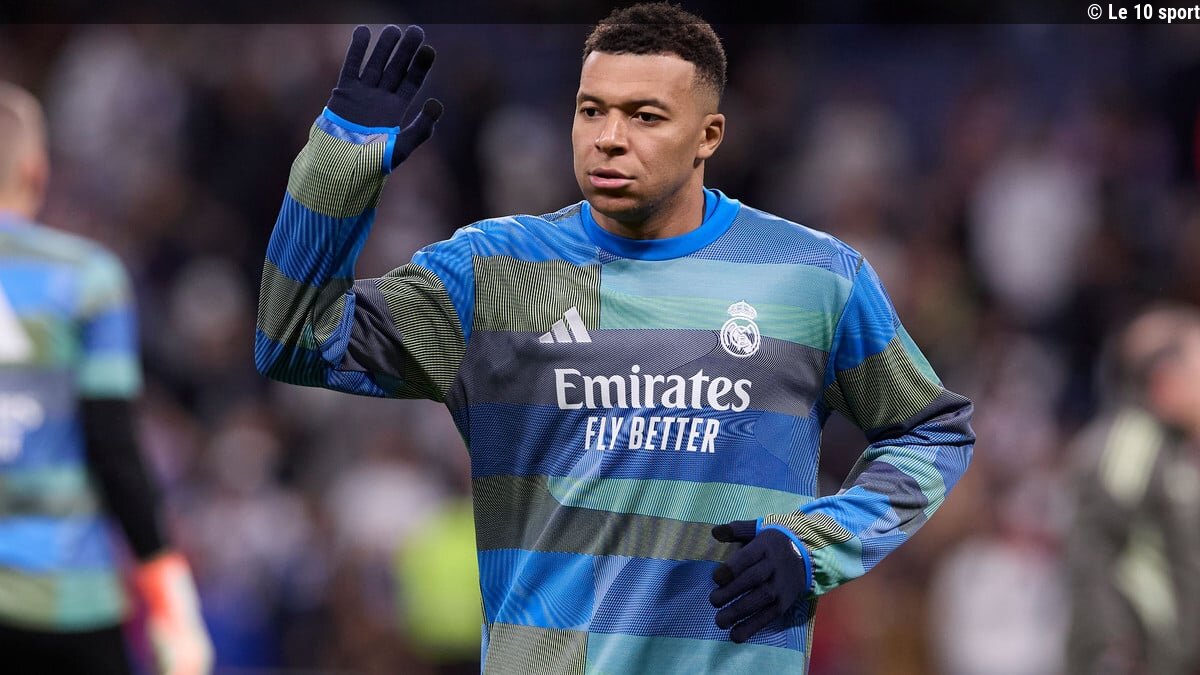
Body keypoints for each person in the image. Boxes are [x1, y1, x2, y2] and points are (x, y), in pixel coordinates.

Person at [254, 4, 975, 672]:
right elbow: (293, 338)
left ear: (708, 136)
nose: (608, 137)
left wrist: (816, 543)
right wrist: (338, 166)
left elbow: (932, 430)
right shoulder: (493, 274)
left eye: (644, 116)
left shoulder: (812, 278)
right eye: (591, 110)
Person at [0, 82, 213, 674]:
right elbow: (113, 445)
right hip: (64, 599)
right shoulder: (87, 278)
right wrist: (171, 599)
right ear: (37, 172)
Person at [1064, 303, 1200, 675]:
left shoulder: (1178, 446)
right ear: (1164, 380)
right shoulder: (1129, 447)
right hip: (1145, 660)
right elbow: (1092, 555)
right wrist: (1114, 651)